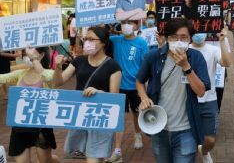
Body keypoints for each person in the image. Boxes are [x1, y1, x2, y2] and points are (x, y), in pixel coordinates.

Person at [136, 18, 210, 163]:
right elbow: (139, 81)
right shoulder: (153, 56)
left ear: (190, 39)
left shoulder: (196, 58)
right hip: (158, 126)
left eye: (183, 37)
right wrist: (144, 98)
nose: (178, 41)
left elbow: (201, 91)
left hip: (186, 129)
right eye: (174, 37)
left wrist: (186, 67)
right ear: (167, 38)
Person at [53, 26, 122, 163]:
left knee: (93, 159)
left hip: (100, 117)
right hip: (80, 115)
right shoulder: (79, 61)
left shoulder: (113, 66)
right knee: (86, 155)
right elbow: (58, 82)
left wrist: (100, 93)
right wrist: (58, 67)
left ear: (103, 42)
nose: (87, 42)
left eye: (91, 39)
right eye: (86, 39)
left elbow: (115, 98)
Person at [0, 47, 60, 163]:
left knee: (46, 161)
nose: (27, 57)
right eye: (25, 54)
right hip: (20, 124)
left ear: (42, 55)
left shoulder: (49, 74)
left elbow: (49, 78)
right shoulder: (21, 73)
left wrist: (35, 61)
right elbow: (2, 78)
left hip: (40, 125)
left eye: (30, 54)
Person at [106, 20, 148, 163]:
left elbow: (145, 64)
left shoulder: (141, 43)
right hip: (119, 86)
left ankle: (137, 134)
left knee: (136, 113)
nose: (126, 25)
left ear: (136, 25)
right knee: (119, 116)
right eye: (124, 22)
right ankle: (117, 150)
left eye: (130, 22)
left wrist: (143, 84)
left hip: (136, 85)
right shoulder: (116, 40)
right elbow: (101, 38)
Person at [189, 28, 232, 163]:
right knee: (188, 136)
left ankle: (205, 151)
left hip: (209, 99)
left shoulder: (213, 50)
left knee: (210, 139)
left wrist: (222, 41)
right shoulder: (185, 48)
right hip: (189, 100)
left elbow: (227, 63)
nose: (198, 33)